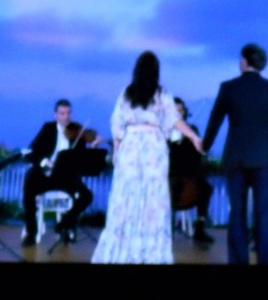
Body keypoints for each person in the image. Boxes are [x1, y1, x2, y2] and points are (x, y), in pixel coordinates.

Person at [92, 51, 203, 263]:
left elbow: (117, 124)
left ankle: (122, 248)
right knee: (153, 198)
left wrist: (117, 151)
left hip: (131, 147)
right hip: (153, 148)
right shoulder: (162, 94)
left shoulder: (127, 93)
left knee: (126, 197)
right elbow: (174, 120)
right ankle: (150, 250)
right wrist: (193, 136)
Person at [202, 43, 268, 265]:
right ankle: (265, 261)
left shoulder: (228, 87)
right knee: (264, 215)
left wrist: (204, 146)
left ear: (245, 62)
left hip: (235, 158)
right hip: (263, 160)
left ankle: (238, 261)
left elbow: (215, 121)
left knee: (237, 213)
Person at [21, 99, 101, 247]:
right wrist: (45, 161)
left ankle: (65, 223)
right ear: (56, 115)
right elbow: (33, 151)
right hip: (46, 174)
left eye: (68, 113)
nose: (66, 117)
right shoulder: (48, 128)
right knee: (29, 185)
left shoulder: (76, 131)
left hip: (65, 176)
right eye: (62, 113)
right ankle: (31, 233)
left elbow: (82, 156)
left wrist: (94, 146)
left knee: (87, 196)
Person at [168, 97, 215, 244]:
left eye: (181, 111)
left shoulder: (192, 130)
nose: (178, 114)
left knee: (206, 188)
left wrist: (189, 140)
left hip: (188, 173)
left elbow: (196, 155)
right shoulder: (163, 132)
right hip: (168, 174)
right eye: (175, 111)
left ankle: (200, 227)